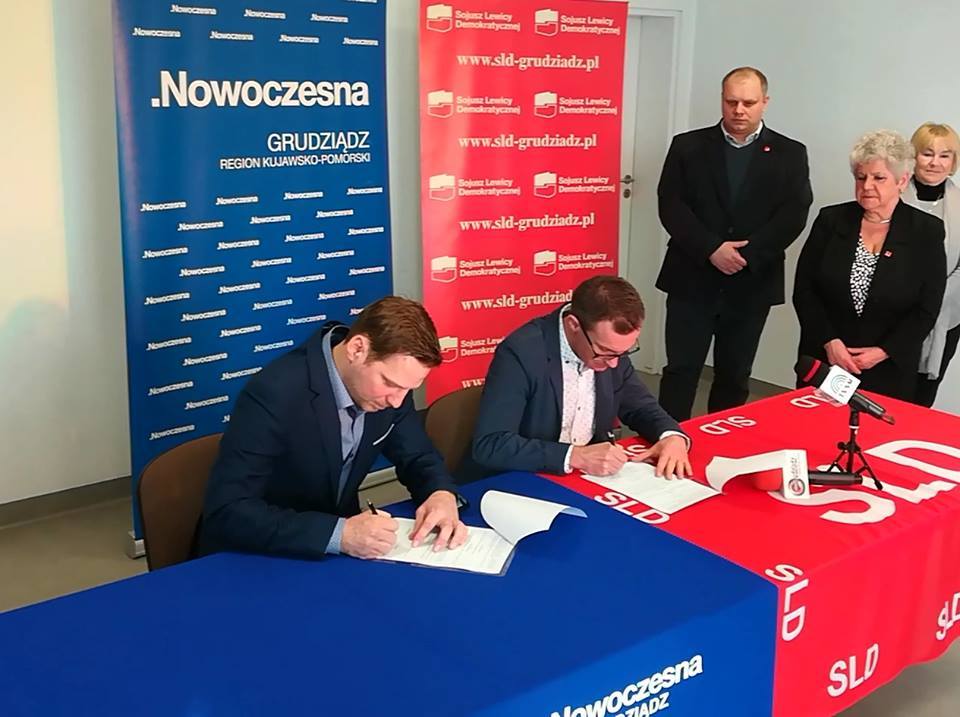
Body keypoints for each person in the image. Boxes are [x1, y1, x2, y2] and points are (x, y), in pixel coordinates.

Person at [199, 296, 467, 560]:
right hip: (258, 555)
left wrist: (440, 493)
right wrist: (340, 534)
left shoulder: (392, 387)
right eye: (390, 384)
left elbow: (418, 455)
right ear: (357, 349)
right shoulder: (275, 392)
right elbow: (228, 510)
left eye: (408, 389)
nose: (397, 401)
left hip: (337, 553)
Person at [656, 66, 812, 421]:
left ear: (765, 102)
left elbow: (794, 214)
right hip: (691, 276)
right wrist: (711, 248)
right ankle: (666, 437)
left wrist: (746, 254)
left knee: (735, 373)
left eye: (749, 103)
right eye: (731, 102)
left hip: (751, 282)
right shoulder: (687, 146)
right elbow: (671, 204)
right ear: (722, 100)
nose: (739, 110)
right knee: (680, 369)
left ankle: (723, 441)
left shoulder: (790, 153)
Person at [464, 276, 691, 483]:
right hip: (525, 479)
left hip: (587, 479)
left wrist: (672, 436)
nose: (614, 364)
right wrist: (575, 456)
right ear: (574, 325)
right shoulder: (521, 352)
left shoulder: (612, 352)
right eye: (605, 352)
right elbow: (491, 444)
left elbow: (641, 407)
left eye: (623, 353)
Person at [793, 130, 946, 401]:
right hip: (827, 357)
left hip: (889, 366)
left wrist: (883, 352)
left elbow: (927, 307)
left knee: (876, 427)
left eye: (879, 178)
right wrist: (830, 343)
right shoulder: (831, 220)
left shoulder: (926, 231)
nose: (866, 186)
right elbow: (804, 290)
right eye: (861, 177)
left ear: (902, 181)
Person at [902, 122, 960, 406]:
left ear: (953, 161)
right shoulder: (887, 196)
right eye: (927, 153)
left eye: (944, 155)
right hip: (890, 313)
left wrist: (932, 298)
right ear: (913, 156)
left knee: (921, 400)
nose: (935, 163)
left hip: (945, 315)